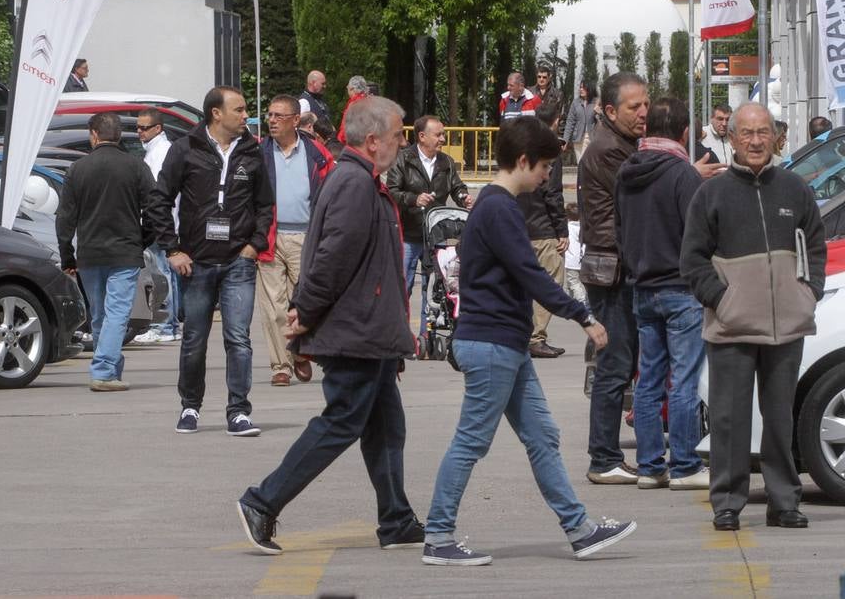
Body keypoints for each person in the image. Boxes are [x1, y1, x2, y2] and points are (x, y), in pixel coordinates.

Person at [422, 116, 634, 566]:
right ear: (523, 160)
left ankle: (580, 530)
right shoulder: (499, 208)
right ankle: (438, 536)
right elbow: (530, 273)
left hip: (506, 344)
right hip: (493, 343)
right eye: (543, 169)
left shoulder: (496, 205)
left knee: (543, 436)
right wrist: (583, 316)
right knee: (471, 442)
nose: (545, 179)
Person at [235, 97, 423, 556]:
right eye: (399, 135)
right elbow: (331, 259)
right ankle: (262, 501)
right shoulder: (354, 183)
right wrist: (305, 312)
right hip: (355, 331)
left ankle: (396, 519)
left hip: (369, 332)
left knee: (385, 427)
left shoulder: (360, 180)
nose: (403, 143)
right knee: (341, 422)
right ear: (374, 139)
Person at [681, 101, 826, 532]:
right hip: (731, 326)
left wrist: (808, 291)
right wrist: (722, 300)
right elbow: (691, 260)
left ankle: (784, 501)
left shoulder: (796, 189)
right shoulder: (711, 194)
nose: (756, 141)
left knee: (780, 417)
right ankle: (727, 502)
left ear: (776, 137)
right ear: (732, 139)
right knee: (728, 419)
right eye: (747, 133)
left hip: (787, 325)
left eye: (763, 132)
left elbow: (815, 246)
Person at [150, 86, 274, 437]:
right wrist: (172, 249)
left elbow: (265, 205)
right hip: (197, 262)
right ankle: (190, 406)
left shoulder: (252, 152)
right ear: (216, 113)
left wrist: (254, 245)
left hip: (239, 261)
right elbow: (159, 200)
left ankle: (238, 411)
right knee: (194, 339)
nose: (245, 115)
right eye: (239, 109)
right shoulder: (185, 149)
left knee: (239, 338)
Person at [615, 97, 707, 491]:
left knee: (649, 380)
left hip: (642, 286)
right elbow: (697, 233)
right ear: (684, 132)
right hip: (681, 288)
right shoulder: (682, 173)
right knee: (683, 380)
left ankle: (651, 466)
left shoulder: (627, 171)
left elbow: (620, 229)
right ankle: (684, 465)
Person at [578, 71, 646, 485]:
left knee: (621, 363)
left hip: (618, 268)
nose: (643, 113)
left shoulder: (622, 145)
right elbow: (626, 212)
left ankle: (607, 454)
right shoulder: (608, 151)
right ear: (609, 111)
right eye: (633, 107)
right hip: (612, 273)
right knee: (615, 364)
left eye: (645, 104)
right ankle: (603, 457)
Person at [57, 113, 154, 391]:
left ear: (94, 135)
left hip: (89, 253)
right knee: (117, 314)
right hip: (124, 251)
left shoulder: (77, 168)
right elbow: (155, 209)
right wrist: (143, 240)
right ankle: (104, 371)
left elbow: (65, 218)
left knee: (100, 315)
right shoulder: (135, 167)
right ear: (119, 136)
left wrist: (67, 254)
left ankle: (108, 368)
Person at [256, 95, 334, 386]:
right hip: (270, 238)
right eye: (270, 115)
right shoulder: (259, 152)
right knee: (273, 307)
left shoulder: (316, 152)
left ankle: (299, 351)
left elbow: (331, 194)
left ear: (295, 121)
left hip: (307, 237)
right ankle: (281, 365)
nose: (272, 120)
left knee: (301, 304)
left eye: (278, 116)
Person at [385, 115, 473, 340]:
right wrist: (413, 199)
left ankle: (428, 335)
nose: (443, 139)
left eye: (443, 134)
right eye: (439, 134)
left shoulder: (445, 162)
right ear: (422, 137)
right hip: (408, 233)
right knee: (403, 286)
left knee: (435, 287)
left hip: (436, 235)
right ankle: (400, 335)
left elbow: (457, 186)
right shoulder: (403, 159)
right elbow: (391, 191)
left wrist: (464, 198)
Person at [515, 108, 569, 358]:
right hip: (544, 228)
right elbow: (553, 194)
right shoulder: (551, 152)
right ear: (555, 122)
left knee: (524, 282)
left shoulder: (521, 150)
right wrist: (562, 230)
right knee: (551, 281)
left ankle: (524, 332)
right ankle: (535, 336)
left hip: (520, 226)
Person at [132, 109, 184, 345]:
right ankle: (170, 325)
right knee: (168, 275)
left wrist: (153, 223)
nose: (139, 132)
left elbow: (157, 194)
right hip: (165, 222)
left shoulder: (159, 153)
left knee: (161, 274)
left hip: (160, 222)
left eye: (144, 128)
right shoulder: (159, 150)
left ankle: (164, 326)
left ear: (157, 128)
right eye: (138, 128)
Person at [563, 81, 596, 158]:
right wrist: (565, 140)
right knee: (580, 163)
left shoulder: (596, 102)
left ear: (590, 89)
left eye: (583, 88)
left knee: (587, 164)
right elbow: (570, 122)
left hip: (592, 138)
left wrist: (599, 112)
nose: (581, 89)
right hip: (578, 139)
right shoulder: (575, 103)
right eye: (580, 87)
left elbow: (603, 121)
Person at [534, 66, 563, 131]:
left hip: (550, 129)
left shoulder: (558, 94)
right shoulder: (530, 92)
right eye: (539, 77)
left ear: (549, 78)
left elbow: (559, 114)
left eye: (544, 77)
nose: (541, 79)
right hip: (534, 128)